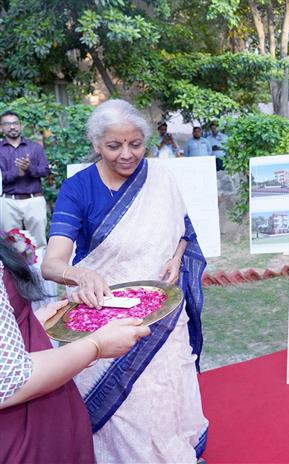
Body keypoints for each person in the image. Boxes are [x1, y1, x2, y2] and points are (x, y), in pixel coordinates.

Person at [41, 99, 209, 462]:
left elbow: (184, 231)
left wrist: (176, 258)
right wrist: (78, 273)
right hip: (102, 319)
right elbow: (51, 264)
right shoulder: (77, 189)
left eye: (135, 144)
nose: (127, 154)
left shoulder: (160, 179)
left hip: (162, 316)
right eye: (114, 146)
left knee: (165, 400)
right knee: (123, 416)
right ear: (96, 145)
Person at [0, 238, 150, 463]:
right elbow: (10, 379)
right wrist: (95, 345)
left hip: (47, 416)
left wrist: (26, 325)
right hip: (22, 435)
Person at [0, 111, 51, 248]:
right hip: (8, 201)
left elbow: (45, 170)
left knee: (39, 242)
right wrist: (16, 172)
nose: (12, 127)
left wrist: (29, 168)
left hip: (34, 200)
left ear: (20, 126)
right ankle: (14, 270)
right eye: (7, 124)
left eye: (15, 123)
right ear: (1, 128)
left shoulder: (34, 147)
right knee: (10, 245)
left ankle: (40, 270)